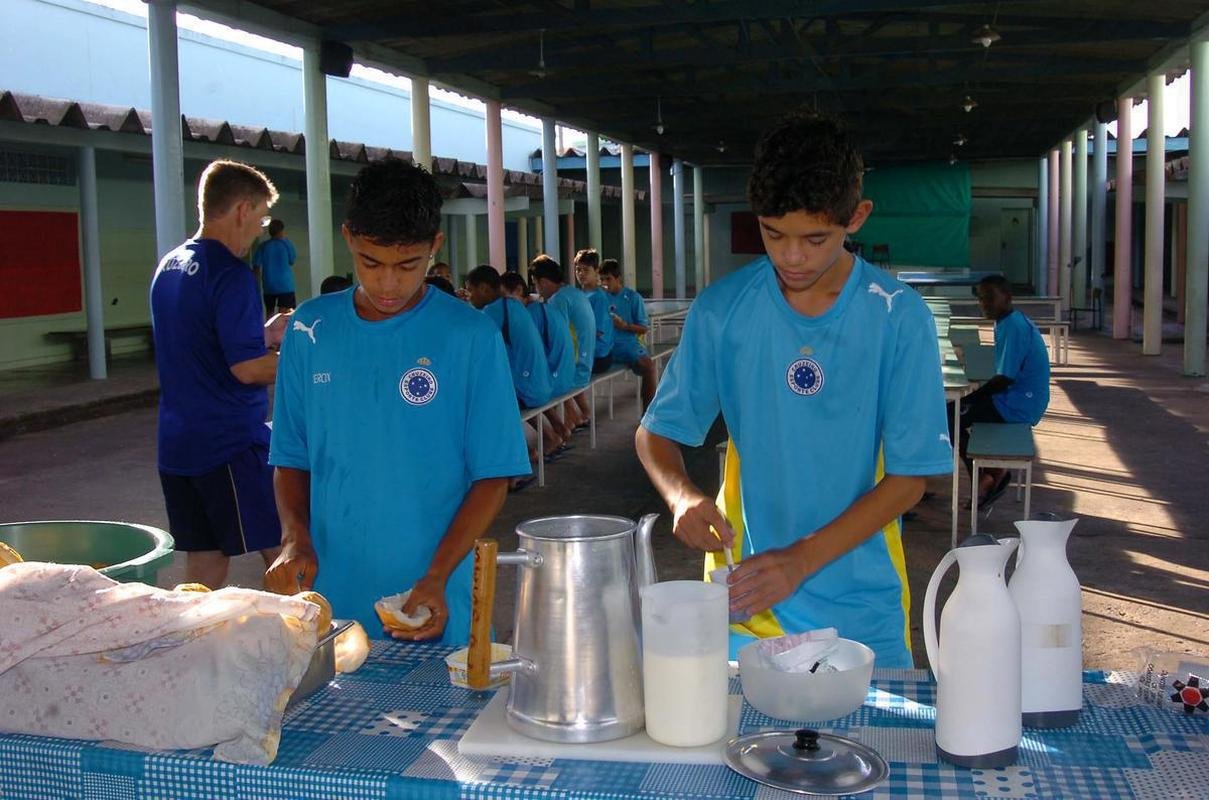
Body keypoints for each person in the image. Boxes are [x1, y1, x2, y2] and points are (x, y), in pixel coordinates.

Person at [635, 112, 952, 668]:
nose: (791, 256)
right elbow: (655, 433)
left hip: (862, 606)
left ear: (857, 217)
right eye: (773, 233)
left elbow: (909, 480)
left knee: (869, 722)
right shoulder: (723, 310)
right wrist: (681, 495)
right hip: (745, 596)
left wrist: (801, 560)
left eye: (815, 237)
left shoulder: (897, 317)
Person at [265, 158, 530, 644]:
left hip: (434, 593)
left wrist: (437, 575)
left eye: (408, 265)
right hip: (331, 600)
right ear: (348, 238)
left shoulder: (470, 336)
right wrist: (294, 537)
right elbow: (290, 456)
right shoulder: (309, 330)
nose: (388, 284)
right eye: (371, 263)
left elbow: (493, 475)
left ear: (435, 246)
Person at [149, 159, 289, 589]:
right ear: (242, 210)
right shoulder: (232, 274)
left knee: (206, 561)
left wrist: (261, 335)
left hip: (178, 445)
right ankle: (311, 630)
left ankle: (195, 632)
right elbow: (246, 370)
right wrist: (311, 363)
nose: (259, 230)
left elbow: (197, 343)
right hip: (228, 443)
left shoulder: (170, 266)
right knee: (285, 551)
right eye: (261, 218)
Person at [951, 274, 1051, 508]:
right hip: (1016, 398)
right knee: (955, 413)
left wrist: (967, 400)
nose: (983, 304)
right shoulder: (1007, 321)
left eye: (989, 298)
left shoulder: (1013, 326)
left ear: (1007, 297)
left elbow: (1004, 379)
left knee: (950, 416)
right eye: (981, 298)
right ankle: (989, 474)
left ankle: (987, 477)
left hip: (1019, 403)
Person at [465, 265, 552, 410]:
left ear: (483, 288)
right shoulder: (513, 304)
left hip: (527, 393)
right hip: (541, 387)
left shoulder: (493, 312)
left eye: (470, 290)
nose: (469, 297)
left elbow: (471, 345)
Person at [531, 254, 594, 431]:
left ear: (543, 282)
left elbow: (556, 339)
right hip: (587, 363)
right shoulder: (574, 292)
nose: (537, 290)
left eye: (535, 284)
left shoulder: (558, 300)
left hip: (577, 368)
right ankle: (581, 414)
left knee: (535, 385)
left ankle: (565, 426)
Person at [600, 258, 658, 410]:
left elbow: (643, 328)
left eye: (608, 279)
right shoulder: (600, 297)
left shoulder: (633, 298)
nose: (604, 283)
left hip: (627, 346)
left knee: (649, 367)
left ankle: (648, 414)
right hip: (606, 347)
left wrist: (625, 326)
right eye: (602, 279)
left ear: (618, 278)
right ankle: (581, 417)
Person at [253, 218, 297, 315]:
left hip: (269, 285)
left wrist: (256, 284)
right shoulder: (286, 244)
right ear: (281, 230)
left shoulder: (263, 246)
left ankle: (269, 325)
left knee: (270, 312)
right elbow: (292, 260)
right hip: (285, 285)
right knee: (284, 314)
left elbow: (256, 266)